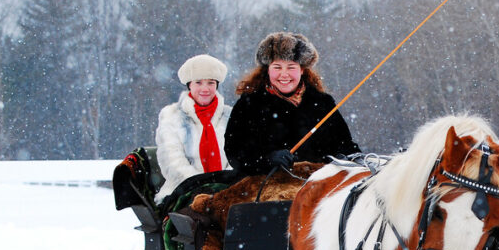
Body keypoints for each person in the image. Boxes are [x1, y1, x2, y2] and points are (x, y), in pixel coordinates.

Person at [225, 31, 360, 174]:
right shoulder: (249, 104)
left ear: (302, 70)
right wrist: (266, 160)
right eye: (277, 67)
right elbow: (234, 151)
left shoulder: (322, 103)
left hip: (317, 184)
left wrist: (349, 159)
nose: (284, 74)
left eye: (291, 67)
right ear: (268, 70)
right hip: (265, 185)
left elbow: (345, 145)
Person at [154, 54, 232, 204]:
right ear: (189, 85)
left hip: (227, 189)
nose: (205, 89)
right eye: (198, 82)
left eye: (210, 83)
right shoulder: (171, 116)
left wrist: (224, 185)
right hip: (183, 190)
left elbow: (237, 157)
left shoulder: (230, 116)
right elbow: (172, 162)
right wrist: (202, 187)